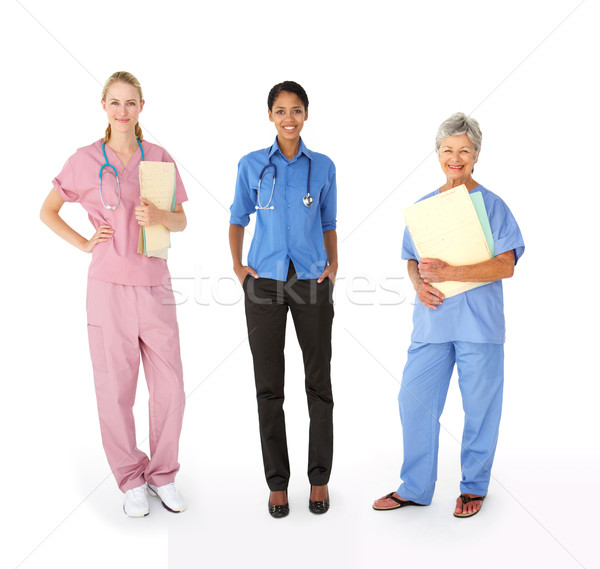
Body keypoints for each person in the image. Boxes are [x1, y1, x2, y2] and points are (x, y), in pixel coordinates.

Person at [40, 71, 188, 518]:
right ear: (104, 106)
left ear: (142, 107)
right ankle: (130, 479)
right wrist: (85, 243)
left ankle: (163, 475)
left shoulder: (158, 159)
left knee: (171, 390)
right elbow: (47, 211)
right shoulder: (85, 160)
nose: (123, 111)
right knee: (115, 388)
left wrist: (161, 213)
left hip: (154, 286)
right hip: (107, 289)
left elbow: (180, 221)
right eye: (115, 103)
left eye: (131, 103)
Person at [373, 112, 525, 518]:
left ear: (476, 155)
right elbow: (412, 260)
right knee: (414, 400)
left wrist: (452, 273)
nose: (454, 158)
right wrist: (419, 284)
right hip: (432, 324)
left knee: (479, 408)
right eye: (447, 150)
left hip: (479, 326)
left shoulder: (493, 207)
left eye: (464, 150)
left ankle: (474, 487)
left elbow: (505, 266)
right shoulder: (425, 209)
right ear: (437, 154)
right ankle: (416, 488)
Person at [229, 81, 338, 518]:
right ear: (270, 116)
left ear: (306, 114)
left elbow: (329, 220)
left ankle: (319, 479)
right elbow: (237, 217)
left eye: (296, 110)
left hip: (312, 280)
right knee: (269, 387)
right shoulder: (251, 165)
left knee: (319, 385)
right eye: (280, 111)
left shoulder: (324, 166)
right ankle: (277, 483)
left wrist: (332, 266)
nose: (288, 118)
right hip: (264, 283)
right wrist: (239, 268)